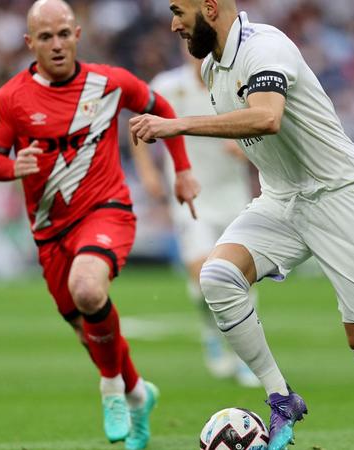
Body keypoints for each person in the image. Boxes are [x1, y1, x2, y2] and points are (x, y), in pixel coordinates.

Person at [129, 1, 354, 449]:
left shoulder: (264, 47)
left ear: (209, 7)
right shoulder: (212, 68)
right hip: (282, 199)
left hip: (340, 197)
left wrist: (178, 125)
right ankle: (281, 396)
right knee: (218, 275)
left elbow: (268, 117)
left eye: (178, 11)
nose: (173, 24)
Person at [0, 1, 200, 449]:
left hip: (107, 210)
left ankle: (111, 390)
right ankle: (139, 394)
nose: (57, 45)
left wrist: (181, 169)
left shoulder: (108, 82)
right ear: (30, 43)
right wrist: (11, 168)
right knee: (90, 331)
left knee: (88, 289)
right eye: (46, 37)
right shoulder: (11, 98)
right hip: (49, 232)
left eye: (63, 33)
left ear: (78, 34)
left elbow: (162, 107)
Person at [130, 49, 260, 387]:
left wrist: (247, 145)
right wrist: (147, 172)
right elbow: (140, 126)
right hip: (192, 197)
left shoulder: (237, 84)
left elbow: (265, 125)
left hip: (234, 197)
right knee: (204, 275)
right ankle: (211, 332)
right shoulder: (168, 85)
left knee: (239, 278)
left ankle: (246, 354)